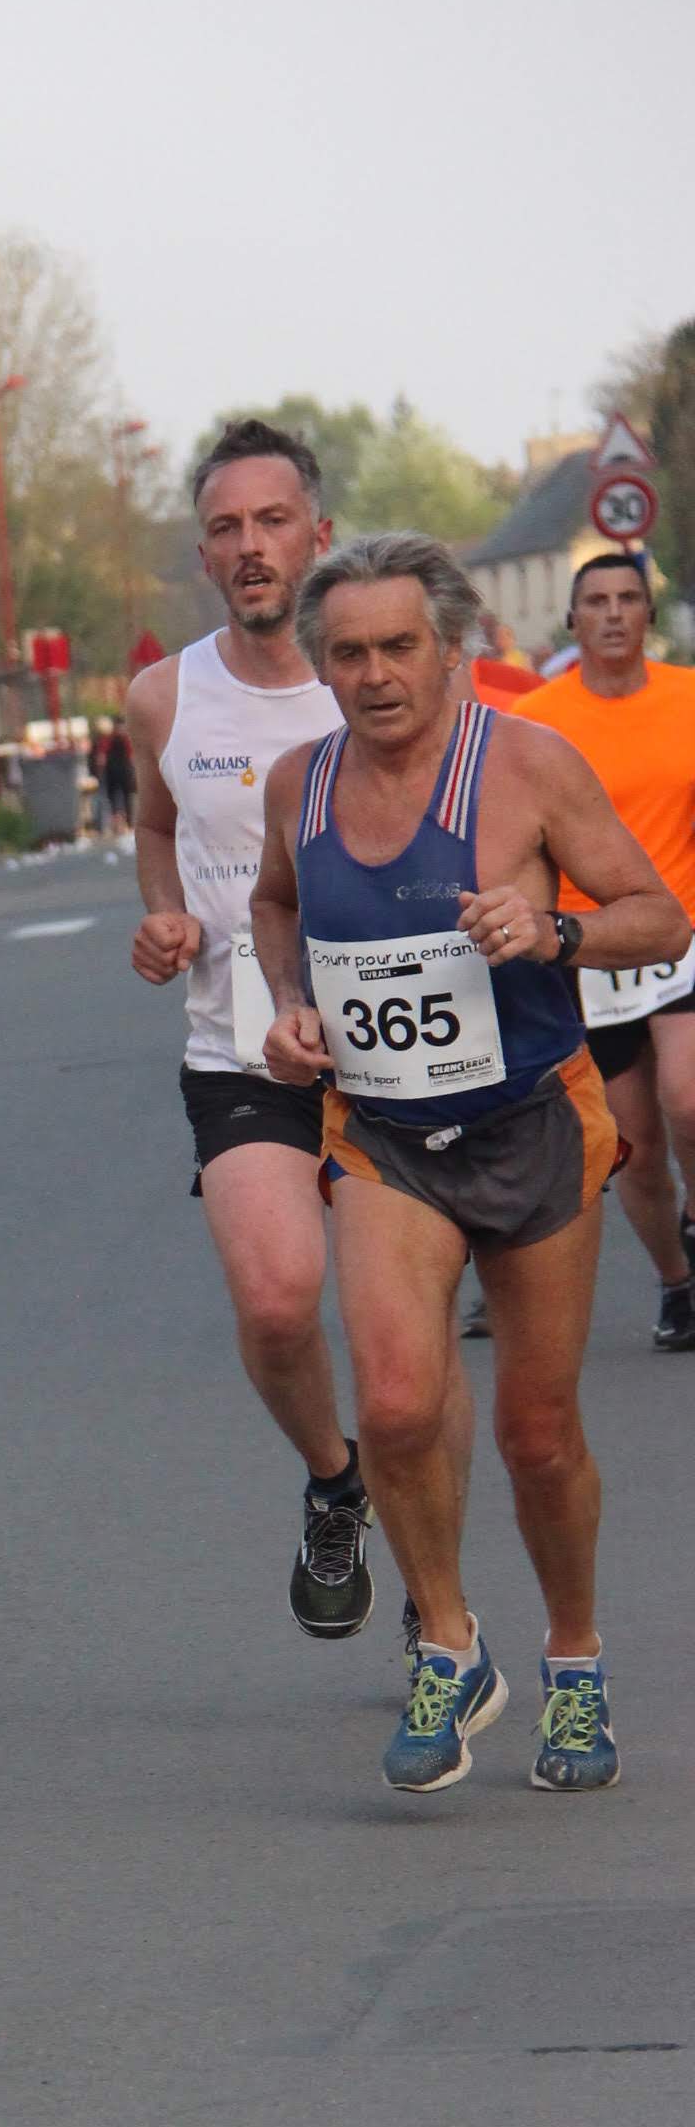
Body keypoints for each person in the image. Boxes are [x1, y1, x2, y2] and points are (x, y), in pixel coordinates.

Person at [253, 531, 688, 1797]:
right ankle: (448, 1643)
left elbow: (660, 916)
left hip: (532, 1124)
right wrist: (290, 1004)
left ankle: (575, 1658)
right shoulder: (300, 784)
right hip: (384, 1135)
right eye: (349, 653)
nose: (376, 674)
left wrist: (555, 930)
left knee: (537, 1435)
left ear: (451, 650)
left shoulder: (529, 765)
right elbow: (275, 903)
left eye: (400, 647)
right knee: (395, 1405)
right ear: (321, 665)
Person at [127, 416, 400, 1642]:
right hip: (242, 1048)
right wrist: (165, 915)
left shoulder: (380, 676)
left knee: (403, 1363)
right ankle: (335, 1484)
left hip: (401, 1049)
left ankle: (436, 1593)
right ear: (203, 554)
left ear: (319, 533)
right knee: (281, 1303)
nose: (250, 545)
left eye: (273, 521)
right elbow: (155, 825)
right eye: (226, 527)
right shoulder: (165, 697)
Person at [509, 551, 695, 1349]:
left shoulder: (688, 698)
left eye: (628, 598)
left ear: (648, 614)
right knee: (636, 1146)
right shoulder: (538, 721)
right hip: (586, 948)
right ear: (572, 620)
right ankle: (677, 1283)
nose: (614, 613)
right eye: (597, 601)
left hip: (680, 930)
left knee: (689, 1098)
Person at [99, 716, 137, 837]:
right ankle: (119, 824)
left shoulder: (121, 739)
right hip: (114, 772)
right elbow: (102, 757)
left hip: (120, 771)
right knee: (116, 799)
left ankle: (126, 824)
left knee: (123, 798)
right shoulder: (112, 739)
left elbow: (102, 758)